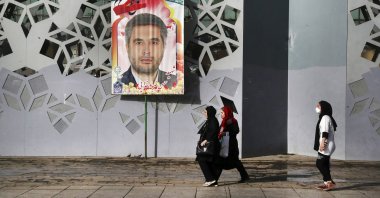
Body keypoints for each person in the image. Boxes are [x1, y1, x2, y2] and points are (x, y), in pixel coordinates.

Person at [121, 13, 176, 88]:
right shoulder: (118, 84)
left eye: (154, 43)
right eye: (139, 43)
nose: (146, 51)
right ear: (127, 47)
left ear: (164, 46)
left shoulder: (176, 83)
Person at [215, 106, 249, 183]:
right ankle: (245, 176)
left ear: (227, 112)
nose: (221, 114)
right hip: (225, 144)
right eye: (221, 113)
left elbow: (235, 131)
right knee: (232, 162)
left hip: (231, 145)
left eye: (222, 112)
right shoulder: (224, 121)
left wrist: (225, 133)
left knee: (230, 162)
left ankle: (214, 179)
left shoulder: (232, 121)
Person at [314, 100, 337, 191]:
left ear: (324, 107)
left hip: (326, 145)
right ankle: (327, 183)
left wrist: (323, 143)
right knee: (325, 164)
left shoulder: (325, 117)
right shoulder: (326, 117)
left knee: (319, 163)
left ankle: (329, 181)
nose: (317, 107)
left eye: (318, 106)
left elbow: (325, 132)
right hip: (328, 144)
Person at [196, 106, 221, 187]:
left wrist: (206, 140)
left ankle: (210, 179)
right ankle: (213, 180)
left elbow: (213, 131)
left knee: (201, 159)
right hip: (211, 145)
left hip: (210, 145)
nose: (204, 113)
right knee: (210, 162)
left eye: (205, 112)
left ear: (209, 112)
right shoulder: (210, 120)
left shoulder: (213, 121)